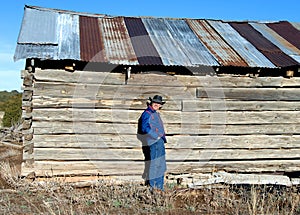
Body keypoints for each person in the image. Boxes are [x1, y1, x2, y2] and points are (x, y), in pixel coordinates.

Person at [137, 95, 167, 191]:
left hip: (159, 141)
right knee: (155, 164)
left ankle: (160, 188)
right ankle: (153, 188)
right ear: (151, 103)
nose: (156, 104)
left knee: (161, 165)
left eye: (158, 103)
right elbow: (144, 128)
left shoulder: (156, 114)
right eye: (155, 102)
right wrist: (156, 136)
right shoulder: (147, 113)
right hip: (154, 141)